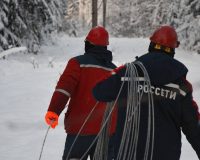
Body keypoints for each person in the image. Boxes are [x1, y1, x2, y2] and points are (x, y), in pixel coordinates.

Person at [93, 25, 200, 160]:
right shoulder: (181, 86)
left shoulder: (127, 74)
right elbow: (193, 126)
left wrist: (116, 73)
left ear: (151, 45)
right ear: (172, 49)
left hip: (129, 154)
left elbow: (99, 92)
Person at [45, 26, 117, 160]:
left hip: (79, 131)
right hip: (106, 134)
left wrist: (53, 111)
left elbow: (63, 90)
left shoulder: (77, 63)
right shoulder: (114, 71)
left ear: (88, 44)